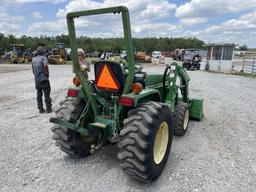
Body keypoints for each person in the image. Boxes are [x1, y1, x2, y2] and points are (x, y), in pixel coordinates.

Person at [32, 47, 52, 113]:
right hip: (44, 79)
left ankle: (40, 109)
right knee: (46, 94)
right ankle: (48, 109)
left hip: (37, 80)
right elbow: (45, 67)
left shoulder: (33, 59)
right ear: (43, 52)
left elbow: (33, 70)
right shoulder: (44, 58)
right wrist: (47, 74)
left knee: (39, 95)